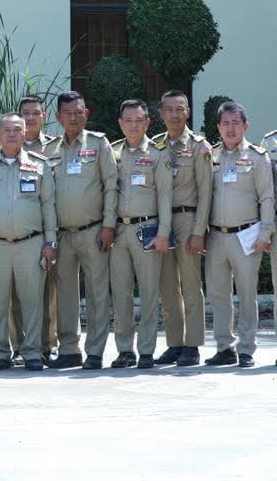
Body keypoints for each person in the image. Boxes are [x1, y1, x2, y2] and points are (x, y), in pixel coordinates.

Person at [0, 113, 57, 371]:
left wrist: (51, 243)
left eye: (17, 130)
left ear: (25, 134)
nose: (12, 134)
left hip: (31, 243)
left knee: (32, 300)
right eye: (7, 130)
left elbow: (48, 206)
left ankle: (32, 352)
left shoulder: (40, 165)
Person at [48, 91, 117, 370]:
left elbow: (111, 186)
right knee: (65, 294)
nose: (74, 118)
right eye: (68, 113)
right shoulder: (51, 149)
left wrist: (109, 225)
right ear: (58, 117)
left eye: (79, 112)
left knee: (98, 293)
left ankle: (95, 351)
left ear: (86, 113)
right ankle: (69, 349)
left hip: (94, 231)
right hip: (62, 234)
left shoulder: (99, 144)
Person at [203, 101, 273, 368]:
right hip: (216, 236)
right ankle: (224, 347)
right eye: (225, 123)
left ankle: (246, 349)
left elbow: (266, 197)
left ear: (246, 126)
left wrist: (265, 233)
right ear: (218, 127)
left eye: (235, 123)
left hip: (247, 236)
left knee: (246, 294)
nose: (230, 128)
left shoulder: (257, 156)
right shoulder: (210, 156)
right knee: (218, 294)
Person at [108, 99, 171, 370]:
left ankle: (146, 350)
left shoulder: (158, 153)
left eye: (139, 120)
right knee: (121, 293)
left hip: (148, 230)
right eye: (128, 120)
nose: (133, 126)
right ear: (120, 123)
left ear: (147, 123)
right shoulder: (112, 152)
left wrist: (164, 233)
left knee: (148, 292)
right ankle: (125, 350)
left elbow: (165, 196)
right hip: (119, 230)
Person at [153, 91, 212, 367]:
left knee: (190, 284)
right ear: (161, 113)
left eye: (180, 109)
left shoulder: (199, 146)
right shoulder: (155, 145)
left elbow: (206, 192)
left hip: (188, 220)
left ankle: (193, 344)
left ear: (188, 111)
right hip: (161, 223)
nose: (175, 115)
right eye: (169, 109)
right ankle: (175, 343)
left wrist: (199, 232)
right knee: (167, 285)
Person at [16, 95, 59, 363]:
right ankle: (19, 345)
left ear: (45, 116)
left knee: (48, 292)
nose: (30, 118)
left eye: (36, 113)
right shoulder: (9, 143)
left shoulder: (55, 146)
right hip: (20, 231)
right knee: (16, 294)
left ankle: (48, 343)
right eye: (25, 113)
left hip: (50, 228)